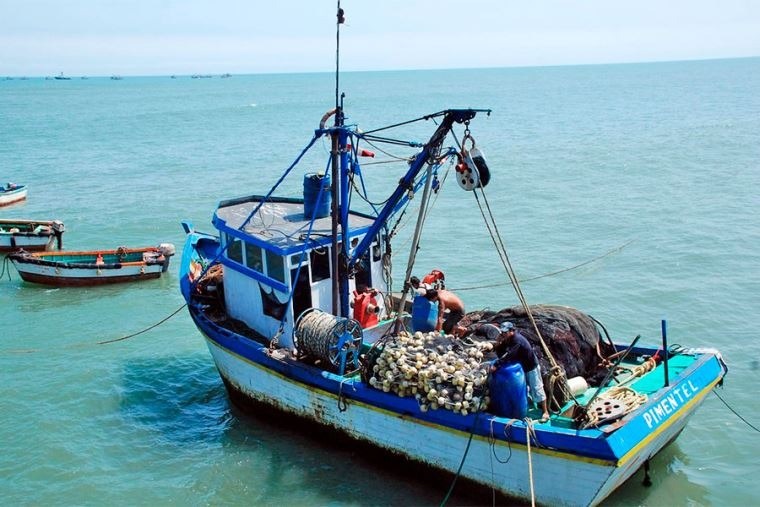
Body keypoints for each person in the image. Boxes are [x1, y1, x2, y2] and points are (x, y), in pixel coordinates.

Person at [491, 321, 550, 422]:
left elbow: (509, 355)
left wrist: (497, 365)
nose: (503, 334)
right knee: (524, 389)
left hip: (531, 367)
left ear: (511, 331)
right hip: (521, 367)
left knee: (536, 388)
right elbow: (500, 351)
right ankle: (524, 408)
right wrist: (498, 342)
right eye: (502, 332)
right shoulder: (507, 339)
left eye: (505, 332)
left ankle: (545, 412)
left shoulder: (517, 340)